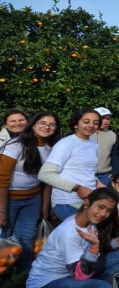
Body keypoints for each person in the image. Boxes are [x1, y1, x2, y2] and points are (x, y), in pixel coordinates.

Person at [26, 188, 119, 288]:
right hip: (45, 287)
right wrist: (94, 248)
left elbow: (102, 249)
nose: (103, 214)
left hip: (73, 276)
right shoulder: (68, 233)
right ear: (87, 202)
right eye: (100, 207)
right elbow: (79, 276)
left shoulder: (91, 223)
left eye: (109, 210)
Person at [0, 112, 60, 271]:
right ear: (32, 125)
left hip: (33, 200)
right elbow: (2, 178)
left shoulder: (50, 148)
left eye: (51, 124)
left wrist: (45, 207)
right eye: (42, 123)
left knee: (26, 238)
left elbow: (47, 182)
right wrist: (2, 209)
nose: (46, 127)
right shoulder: (15, 145)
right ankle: (5, 276)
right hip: (9, 200)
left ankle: (22, 274)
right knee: (6, 237)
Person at [39, 109, 103, 220]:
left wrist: (97, 182)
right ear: (76, 124)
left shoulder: (93, 144)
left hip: (88, 200)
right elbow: (45, 174)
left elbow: (82, 170)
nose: (91, 125)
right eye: (86, 122)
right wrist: (77, 188)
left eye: (95, 123)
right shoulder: (66, 143)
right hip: (67, 202)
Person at [91, 107, 118, 187]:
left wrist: (115, 172)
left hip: (105, 176)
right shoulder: (86, 133)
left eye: (108, 118)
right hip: (87, 174)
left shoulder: (112, 135)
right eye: (102, 118)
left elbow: (114, 155)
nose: (105, 121)